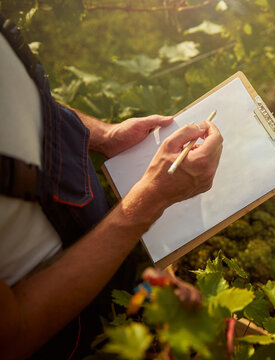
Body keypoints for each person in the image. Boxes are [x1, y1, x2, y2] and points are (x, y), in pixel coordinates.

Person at [0, 13, 223, 360]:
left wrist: (103, 134)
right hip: (65, 329)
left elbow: (21, 99)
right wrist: (148, 201)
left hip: (103, 243)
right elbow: (9, 339)